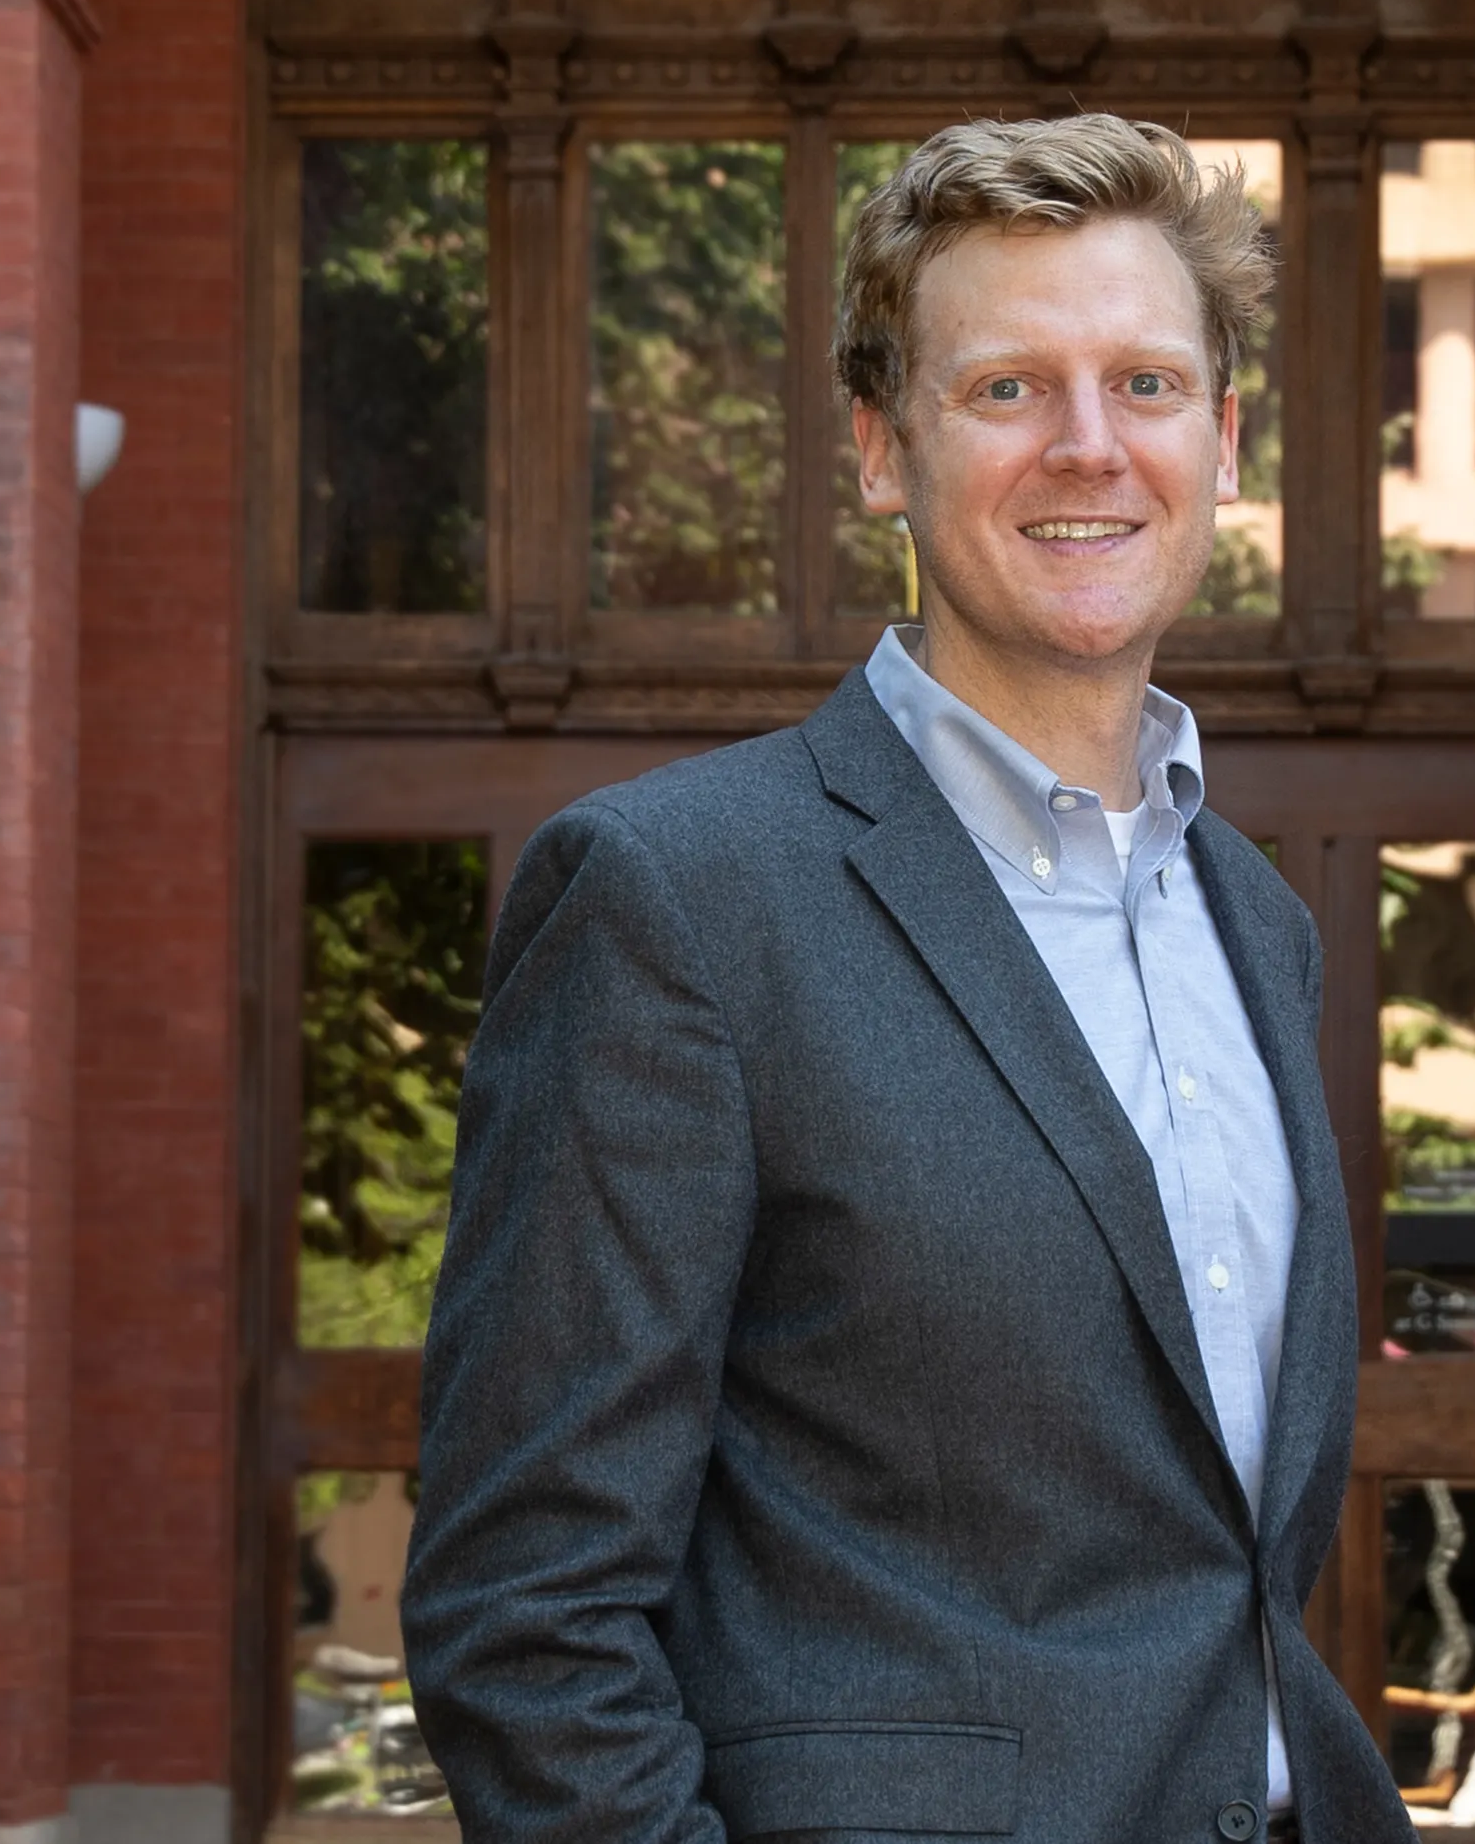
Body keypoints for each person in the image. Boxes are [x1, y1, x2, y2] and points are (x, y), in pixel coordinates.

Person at [402, 114, 1415, 1844]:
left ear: (1224, 444)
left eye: (1148, 387)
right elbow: (525, 1611)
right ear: (883, 451)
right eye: (1007, 389)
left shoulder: (1251, 918)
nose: (1089, 447)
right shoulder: (680, 897)